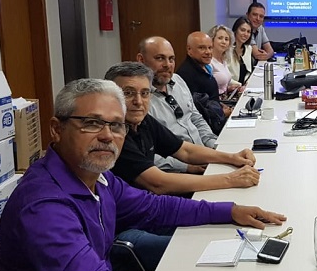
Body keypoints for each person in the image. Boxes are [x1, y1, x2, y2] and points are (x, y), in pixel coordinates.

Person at [0, 78, 285, 271]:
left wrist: (230, 211)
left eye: (116, 126)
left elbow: (155, 208)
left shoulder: (96, 177)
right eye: (92, 123)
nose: (107, 136)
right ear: (56, 129)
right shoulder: (44, 206)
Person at [105, 61, 260, 193]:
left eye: (145, 93)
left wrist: (232, 157)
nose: (138, 101)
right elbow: (158, 183)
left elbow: (184, 150)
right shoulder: (113, 135)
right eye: (128, 93)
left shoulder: (143, 121)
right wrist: (230, 179)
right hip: (134, 218)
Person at [137, 36, 221, 167]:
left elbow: (195, 118)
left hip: (203, 155)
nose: (167, 65)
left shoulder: (178, 81)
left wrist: (214, 145)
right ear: (141, 60)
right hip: (177, 170)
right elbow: (148, 153)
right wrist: (187, 167)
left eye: (171, 59)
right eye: (160, 58)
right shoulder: (139, 101)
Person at [208, 24, 244, 96]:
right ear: (212, 40)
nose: (223, 42)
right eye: (220, 38)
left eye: (226, 39)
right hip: (217, 102)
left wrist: (235, 87)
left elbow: (223, 83)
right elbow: (208, 90)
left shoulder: (223, 60)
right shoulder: (209, 62)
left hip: (226, 97)